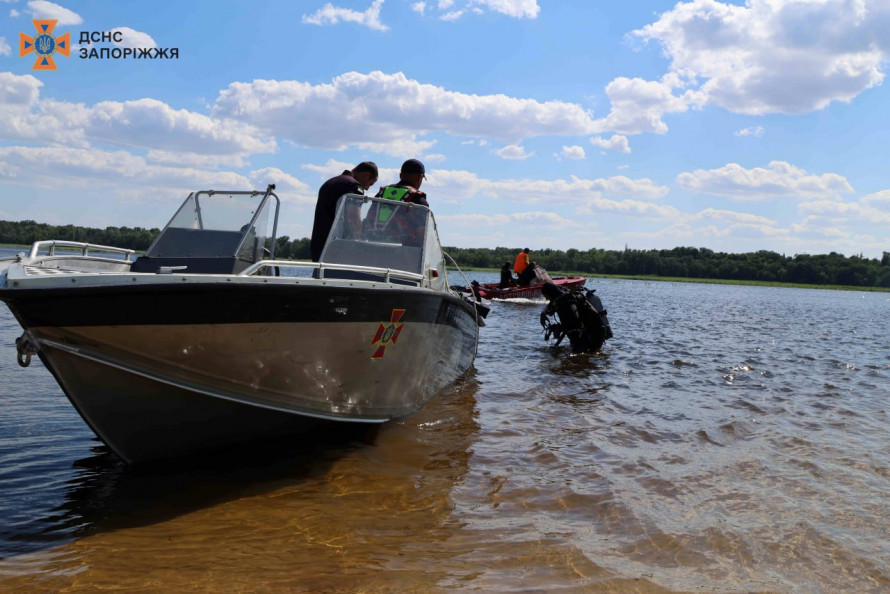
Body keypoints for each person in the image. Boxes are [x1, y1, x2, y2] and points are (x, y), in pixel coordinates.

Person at [310, 161, 378, 262]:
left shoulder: (330, 182)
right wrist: (362, 239)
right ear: (366, 175)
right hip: (338, 250)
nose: (367, 188)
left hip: (319, 246)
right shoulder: (353, 186)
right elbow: (354, 221)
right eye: (370, 184)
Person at [366, 159, 430, 245]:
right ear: (419, 177)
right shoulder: (418, 200)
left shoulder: (382, 193)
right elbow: (422, 235)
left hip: (371, 246)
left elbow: (369, 218)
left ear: (400, 175)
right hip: (403, 253)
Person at [539, 282, 612, 353]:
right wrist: (543, 313)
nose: (546, 299)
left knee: (576, 355)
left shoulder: (565, 302)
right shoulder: (566, 297)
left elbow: (574, 325)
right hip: (596, 334)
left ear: (550, 293)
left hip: (591, 336)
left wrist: (558, 328)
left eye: (546, 296)